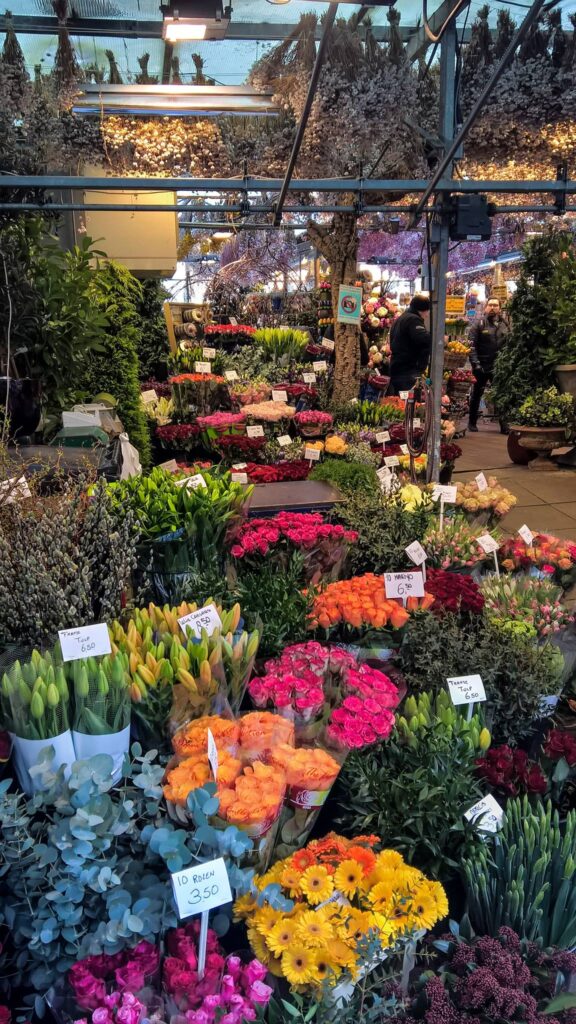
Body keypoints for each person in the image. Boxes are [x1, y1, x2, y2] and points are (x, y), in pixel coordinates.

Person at [468, 297, 509, 432]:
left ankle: (504, 425)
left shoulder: (504, 324)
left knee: (501, 395)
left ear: (499, 308)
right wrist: (476, 364)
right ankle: (472, 422)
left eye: (495, 305)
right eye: (490, 305)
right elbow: (471, 346)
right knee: (476, 394)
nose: (492, 307)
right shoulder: (479, 324)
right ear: (486, 307)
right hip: (481, 365)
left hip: (499, 366)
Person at [389, 295, 432, 395]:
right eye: (427, 311)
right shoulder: (413, 320)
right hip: (408, 371)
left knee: (400, 401)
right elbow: (423, 339)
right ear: (422, 310)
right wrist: (439, 339)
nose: (427, 315)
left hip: (398, 368)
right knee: (408, 402)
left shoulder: (402, 318)